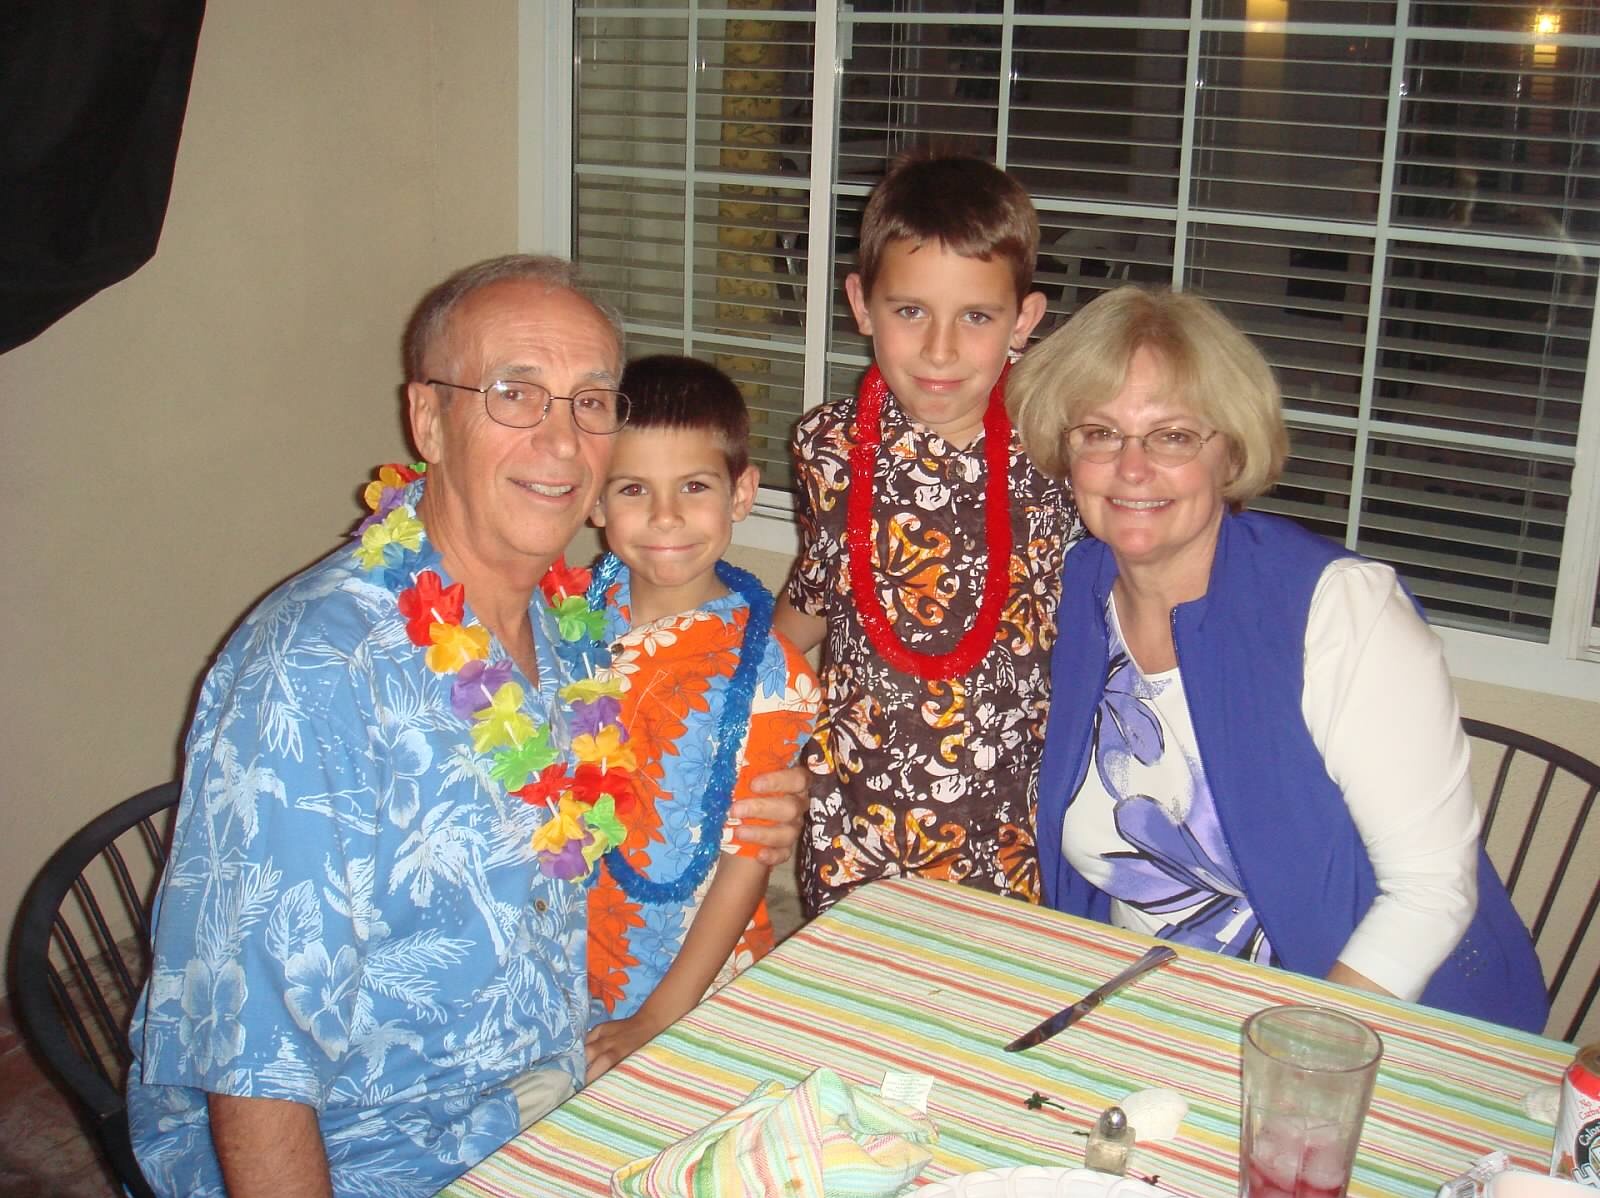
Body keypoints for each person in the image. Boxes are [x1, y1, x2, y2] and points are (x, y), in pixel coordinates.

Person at [124, 255, 809, 1198]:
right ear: (428, 420)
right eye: (514, 393)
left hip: (562, 1077)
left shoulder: (574, 627)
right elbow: (253, 1054)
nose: (561, 441)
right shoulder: (317, 672)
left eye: (590, 401)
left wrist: (756, 799)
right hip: (379, 1151)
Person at [1006, 284, 1548, 1031]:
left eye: (1172, 436)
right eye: (1099, 433)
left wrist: (1292, 1057)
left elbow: (1430, 892)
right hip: (1156, 1017)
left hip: (1377, 1030)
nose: (1131, 468)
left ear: (1230, 452)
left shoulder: (1339, 610)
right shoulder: (1067, 595)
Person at [775, 152, 1081, 916]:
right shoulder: (827, 448)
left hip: (1005, 835)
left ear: (1024, 321)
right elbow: (815, 597)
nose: (940, 350)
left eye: (976, 316)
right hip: (854, 828)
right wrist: (741, 696)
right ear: (861, 304)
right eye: (910, 311)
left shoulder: (1059, 455)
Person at [583, 354, 821, 1079]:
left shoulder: (770, 674)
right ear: (594, 499)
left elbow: (749, 860)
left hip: (691, 982)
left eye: (694, 486)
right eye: (633, 488)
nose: (665, 516)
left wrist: (661, 1016)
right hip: (563, 958)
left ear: (741, 492)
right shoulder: (565, 619)